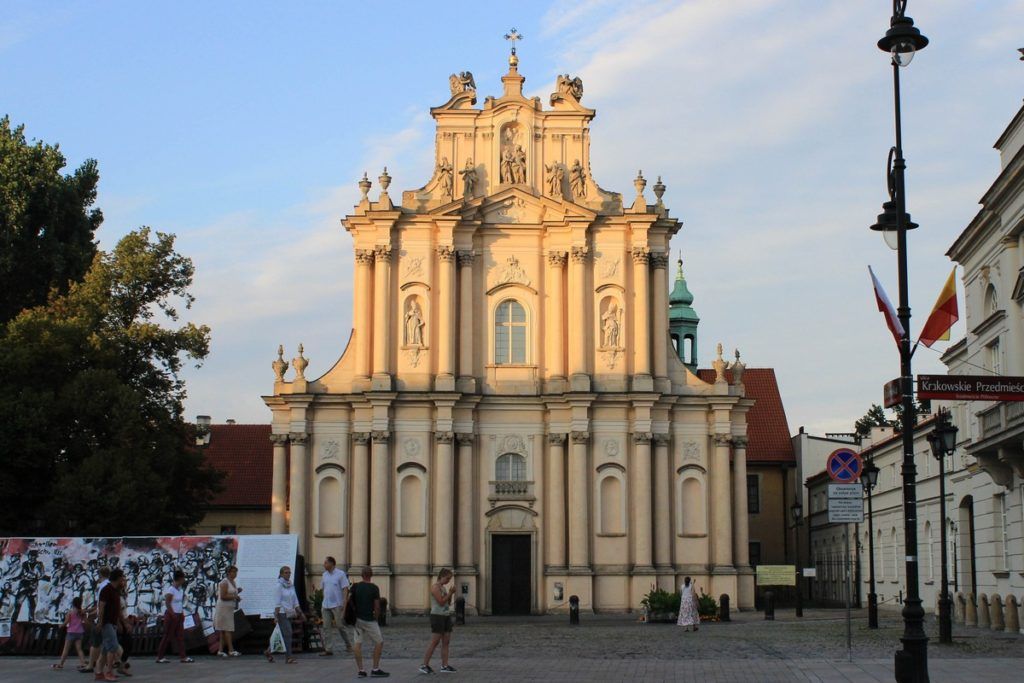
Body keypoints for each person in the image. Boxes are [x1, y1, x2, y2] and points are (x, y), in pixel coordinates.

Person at [350, 567, 389, 678]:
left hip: (357, 619)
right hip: (369, 619)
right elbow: (377, 606)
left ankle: (361, 670)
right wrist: (376, 617)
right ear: (371, 575)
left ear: (362, 575)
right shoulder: (374, 588)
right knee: (379, 642)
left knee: (357, 644)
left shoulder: (356, 587)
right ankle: (375, 669)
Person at [419, 568, 456, 674]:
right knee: (435, 642)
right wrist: (450, 594)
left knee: (446, 641)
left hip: (445, 615)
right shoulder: (435, 587)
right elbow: (440, 602)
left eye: (450, 579)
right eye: (447, 578)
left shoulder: (443, 588)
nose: (448, 581)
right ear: (442, 576)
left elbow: (447, 603)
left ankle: (444, 665)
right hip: (437, 616)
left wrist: (450, 593)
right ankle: (424, 665)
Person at [265, 565, 303, 664]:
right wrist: (276, 616)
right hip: (282, 613)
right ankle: (289, 657)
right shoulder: (279, 586)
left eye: (289, 572)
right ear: (281, 574)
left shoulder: (290, 584)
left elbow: (295, 600)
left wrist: (300, 612)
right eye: (286, 572)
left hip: (289, 613)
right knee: (288, 633)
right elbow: (277, 602)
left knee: (282, 634)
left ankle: (268, 651)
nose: (288, 574)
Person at [155, 569, 193, 664]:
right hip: (172, 615)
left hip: (179, 614)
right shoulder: (171, 590)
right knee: (167, 636)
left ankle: (183, 656)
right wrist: (172, 614)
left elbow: (180, 602)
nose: (184, 580)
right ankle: (160, 656)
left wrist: (182, 613)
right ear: (179, 579)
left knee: (180, 636)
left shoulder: (180, 590)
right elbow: (168, 603)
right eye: (183, 578)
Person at [96, 569, 126, 682]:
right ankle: (108, 671)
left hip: (112, 622)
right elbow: (101, 606)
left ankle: (99, 673)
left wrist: (118, 622)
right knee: (113, 647)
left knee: (105, 649)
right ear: (118, 578)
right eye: (122, 577)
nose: (123, 579)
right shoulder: (107, 590)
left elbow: (116, 609)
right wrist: (100, 622)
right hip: (106, 622)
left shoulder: (115, 590)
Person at [319, 556, 352, 657]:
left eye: (326, 563)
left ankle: (348, 645)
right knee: (326, 627)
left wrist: (344, 604)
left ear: (332, 564)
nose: (324, 565)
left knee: (340, 626)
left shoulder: (340, 574)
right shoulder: (324, 575)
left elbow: (345, 590)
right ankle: (328, 649)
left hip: (337, 604)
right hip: (326, 604)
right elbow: (323, 589)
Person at [52, 596, 86, 670]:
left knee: (66, 649)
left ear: (73, 603)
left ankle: (61, 664)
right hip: (80, 632)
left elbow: (67, 621)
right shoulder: (82, 612)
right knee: (79, 649)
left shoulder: (70, 612)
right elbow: (84, 621)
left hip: (71, 632)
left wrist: (61, 626)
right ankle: (83, 663)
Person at [215, 565, 242, 657]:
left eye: (236, 572)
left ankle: (220, 650)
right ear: (228, 573)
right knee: (227, 628)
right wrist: (235, 596)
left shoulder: (233, 582)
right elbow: (223, 596)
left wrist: (237, 591)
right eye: (233, 572)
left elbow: (230, 593)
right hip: (223, 608)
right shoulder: (224, 582)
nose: (235, 574)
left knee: (223, 629)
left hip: (229, 608)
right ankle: (230, 650)